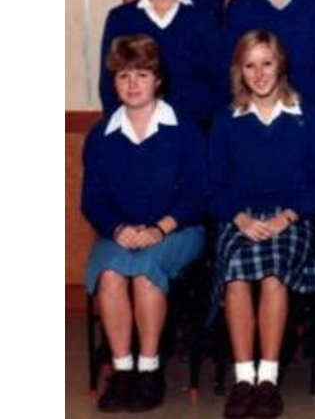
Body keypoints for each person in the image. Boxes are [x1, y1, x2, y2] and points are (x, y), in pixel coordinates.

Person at [207, 30, 315, 419]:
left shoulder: (307, 116)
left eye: (266, 63)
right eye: (249, 65)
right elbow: (213, 185)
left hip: (293, 217)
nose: (259, 74)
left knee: (274, 272)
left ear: (281, 65)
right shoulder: (227, 120)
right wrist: (240, 218)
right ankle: (244, 378)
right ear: (239, 72)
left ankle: (268, 380)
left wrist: (287, 216)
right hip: (241, 217)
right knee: (237, 273)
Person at [82, 35, 207, 413]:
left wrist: (160, 228)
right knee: (110, 273)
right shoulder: (101, 137)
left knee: (146, 272)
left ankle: (149, 370)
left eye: (141, 74)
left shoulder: (183, 128)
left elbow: (199, 192)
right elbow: (93, 200)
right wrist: (119, 229)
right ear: (114, 83)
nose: (133, 84)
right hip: (120, 231)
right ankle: (123, 372)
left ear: (157, 80)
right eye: (123, 76)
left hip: (177, 230)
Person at [100, 0, 222, 128]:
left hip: (193, 137)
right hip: (139, 135)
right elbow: (108, 87)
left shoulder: (204, 20)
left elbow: (220, 87)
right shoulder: (121, 19)